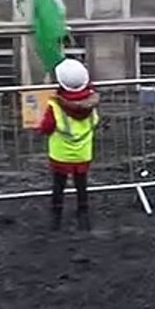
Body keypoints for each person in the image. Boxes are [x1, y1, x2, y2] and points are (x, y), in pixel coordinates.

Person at [36, 58, 100, 231]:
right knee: (81, 185)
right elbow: (94, 122)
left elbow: (47, 127)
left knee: (59, 185)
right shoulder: (91, 104)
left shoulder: (55, 105)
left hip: (61, 155)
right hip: (83, 153)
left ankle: (56, 219)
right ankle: (83, 215)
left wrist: (40, 129)